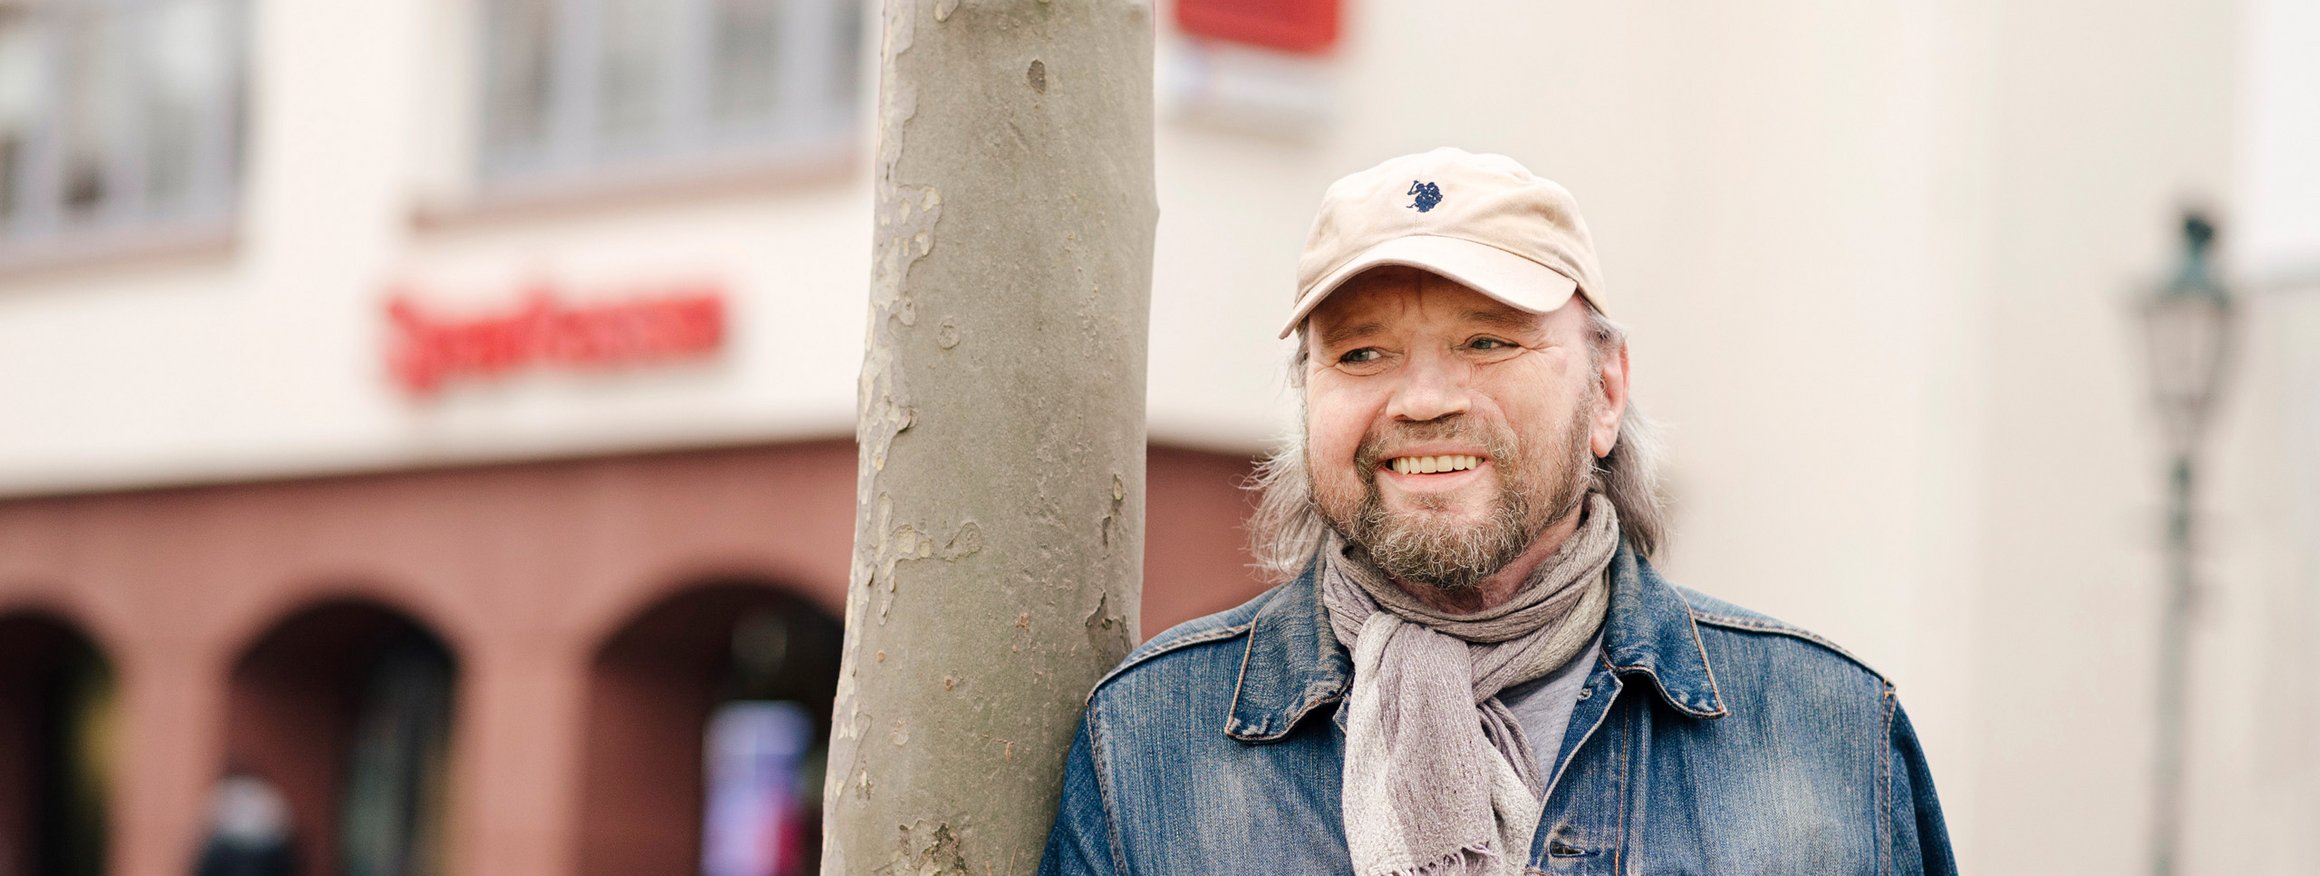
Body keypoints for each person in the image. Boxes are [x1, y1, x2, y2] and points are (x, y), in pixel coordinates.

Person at [1038, 148, 1957, 875]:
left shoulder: (1827, 733)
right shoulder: (1152, 742)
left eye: (1489, 340)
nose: (1425, 399)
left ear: (1605, 390)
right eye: (1361, 355)